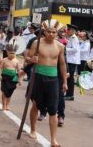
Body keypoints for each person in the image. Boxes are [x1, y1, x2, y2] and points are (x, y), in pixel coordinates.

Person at [28, 19, 67, 147]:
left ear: (57, 33)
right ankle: (33, 130)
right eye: (49, 32)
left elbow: (62, 64)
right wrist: (31, 59)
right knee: (35, 104)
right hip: (38, 77)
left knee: (53, 110)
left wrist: (64, 81)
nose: (51, 34)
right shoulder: (36, 43)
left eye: (54, 32)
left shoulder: (60, 46)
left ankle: (53, 140)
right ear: (44, 32)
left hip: (53, 79)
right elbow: (27, 58)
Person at [0, 43, 22, 110]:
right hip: (5, 77)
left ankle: (7, 105)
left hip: (13, 79)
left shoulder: (16, 61)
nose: (12, 54)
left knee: (9, 93)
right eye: (11, 53)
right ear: (7, 52)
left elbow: (19, 70)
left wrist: (19, 79)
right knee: (3, 91)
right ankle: (4, 105)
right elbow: (0, 68)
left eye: (14, 53)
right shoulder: (4, 60)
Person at [65, 24, 80, 101]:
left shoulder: (74, 38)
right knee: (69, 78)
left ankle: (70, 95)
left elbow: (75, 49)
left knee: (70, 78)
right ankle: (68, 94)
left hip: (72, 61)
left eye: (69, 29)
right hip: (71, 60)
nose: (67, 31)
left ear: (72, 31)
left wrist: (65, 49)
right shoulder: (71, 37)